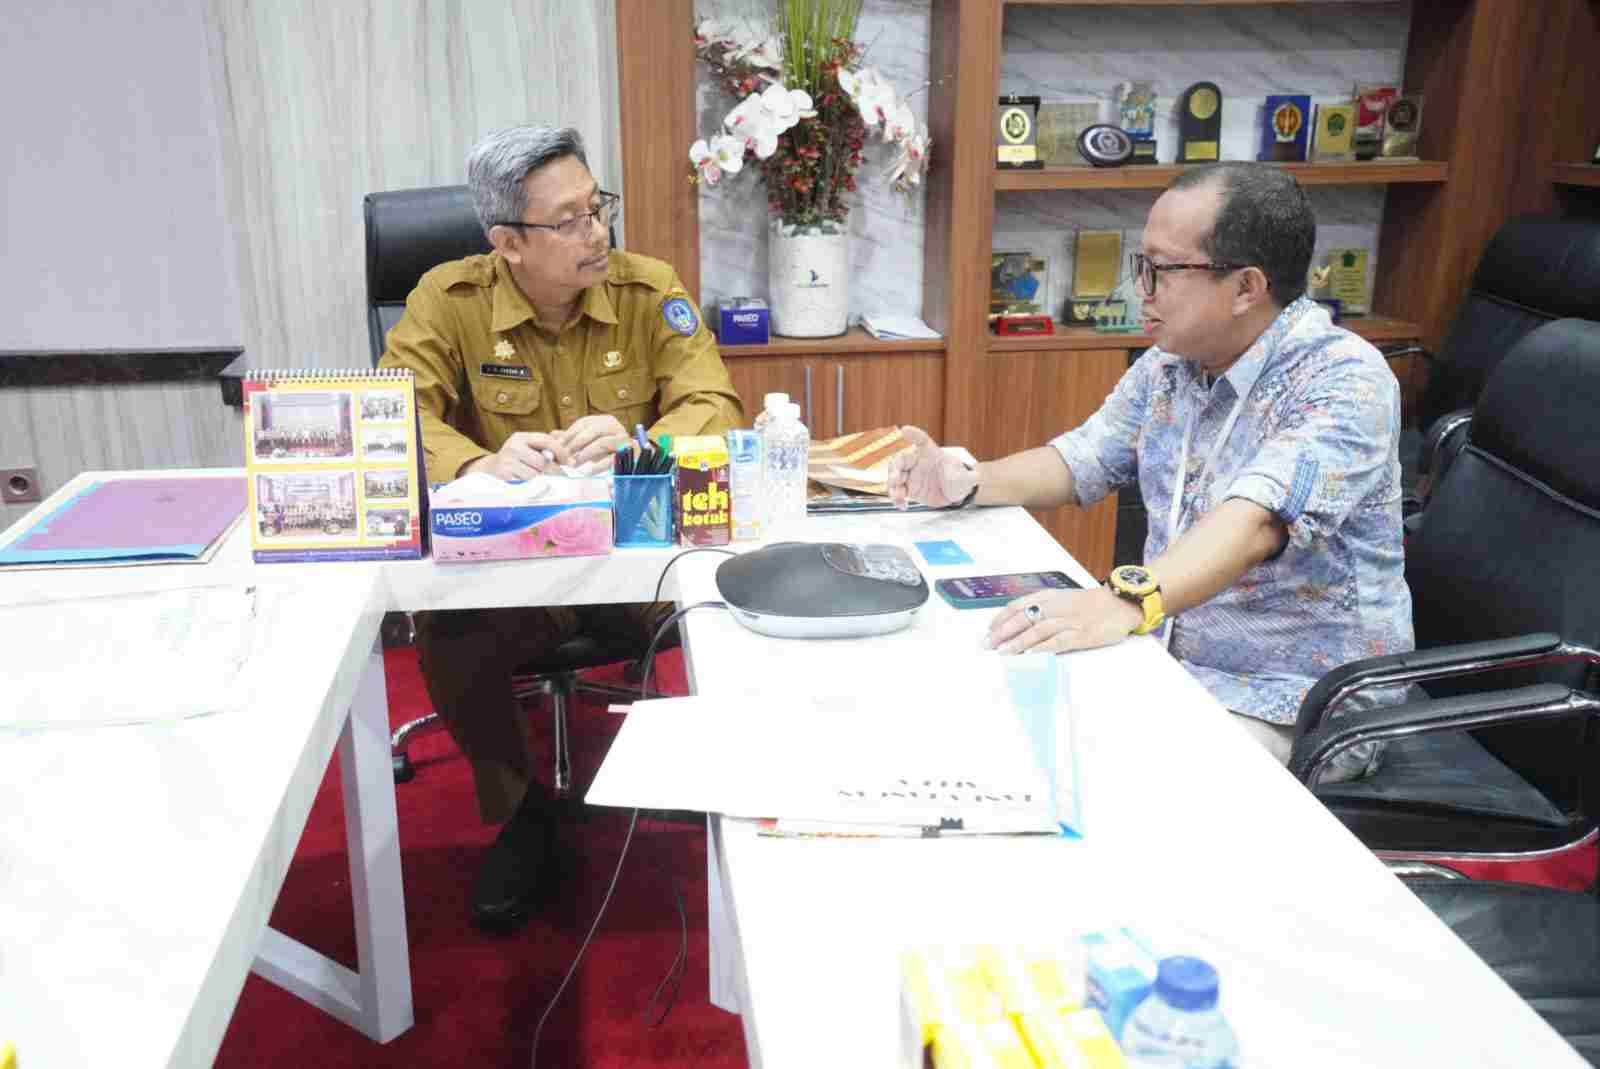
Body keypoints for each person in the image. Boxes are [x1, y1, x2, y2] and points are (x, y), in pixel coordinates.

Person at [888, 162, 1412, 781]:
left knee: (1102, 776)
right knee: (984, 706)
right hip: (1169, 657)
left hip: (1295, 701)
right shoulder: (1174, 361)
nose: (1140, 288)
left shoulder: (1344, 380)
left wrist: (1125, 601)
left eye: (1160, 270)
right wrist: (969, 480)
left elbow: (1256, 522)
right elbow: (1083, 458)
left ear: (1246, 287)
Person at [379, 124, 743, 931]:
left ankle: (722, 785)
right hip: (517, 580)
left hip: (635, 568)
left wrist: (645, 443)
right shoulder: (448, 301)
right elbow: (394, 415)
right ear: (508, 242)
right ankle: (523, 811)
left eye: (597, 207)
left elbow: (714, 404)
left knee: (725, 598)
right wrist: (477, 463)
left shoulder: (648, 291)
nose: (597, 232)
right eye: (570, 219)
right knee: (448, 629)